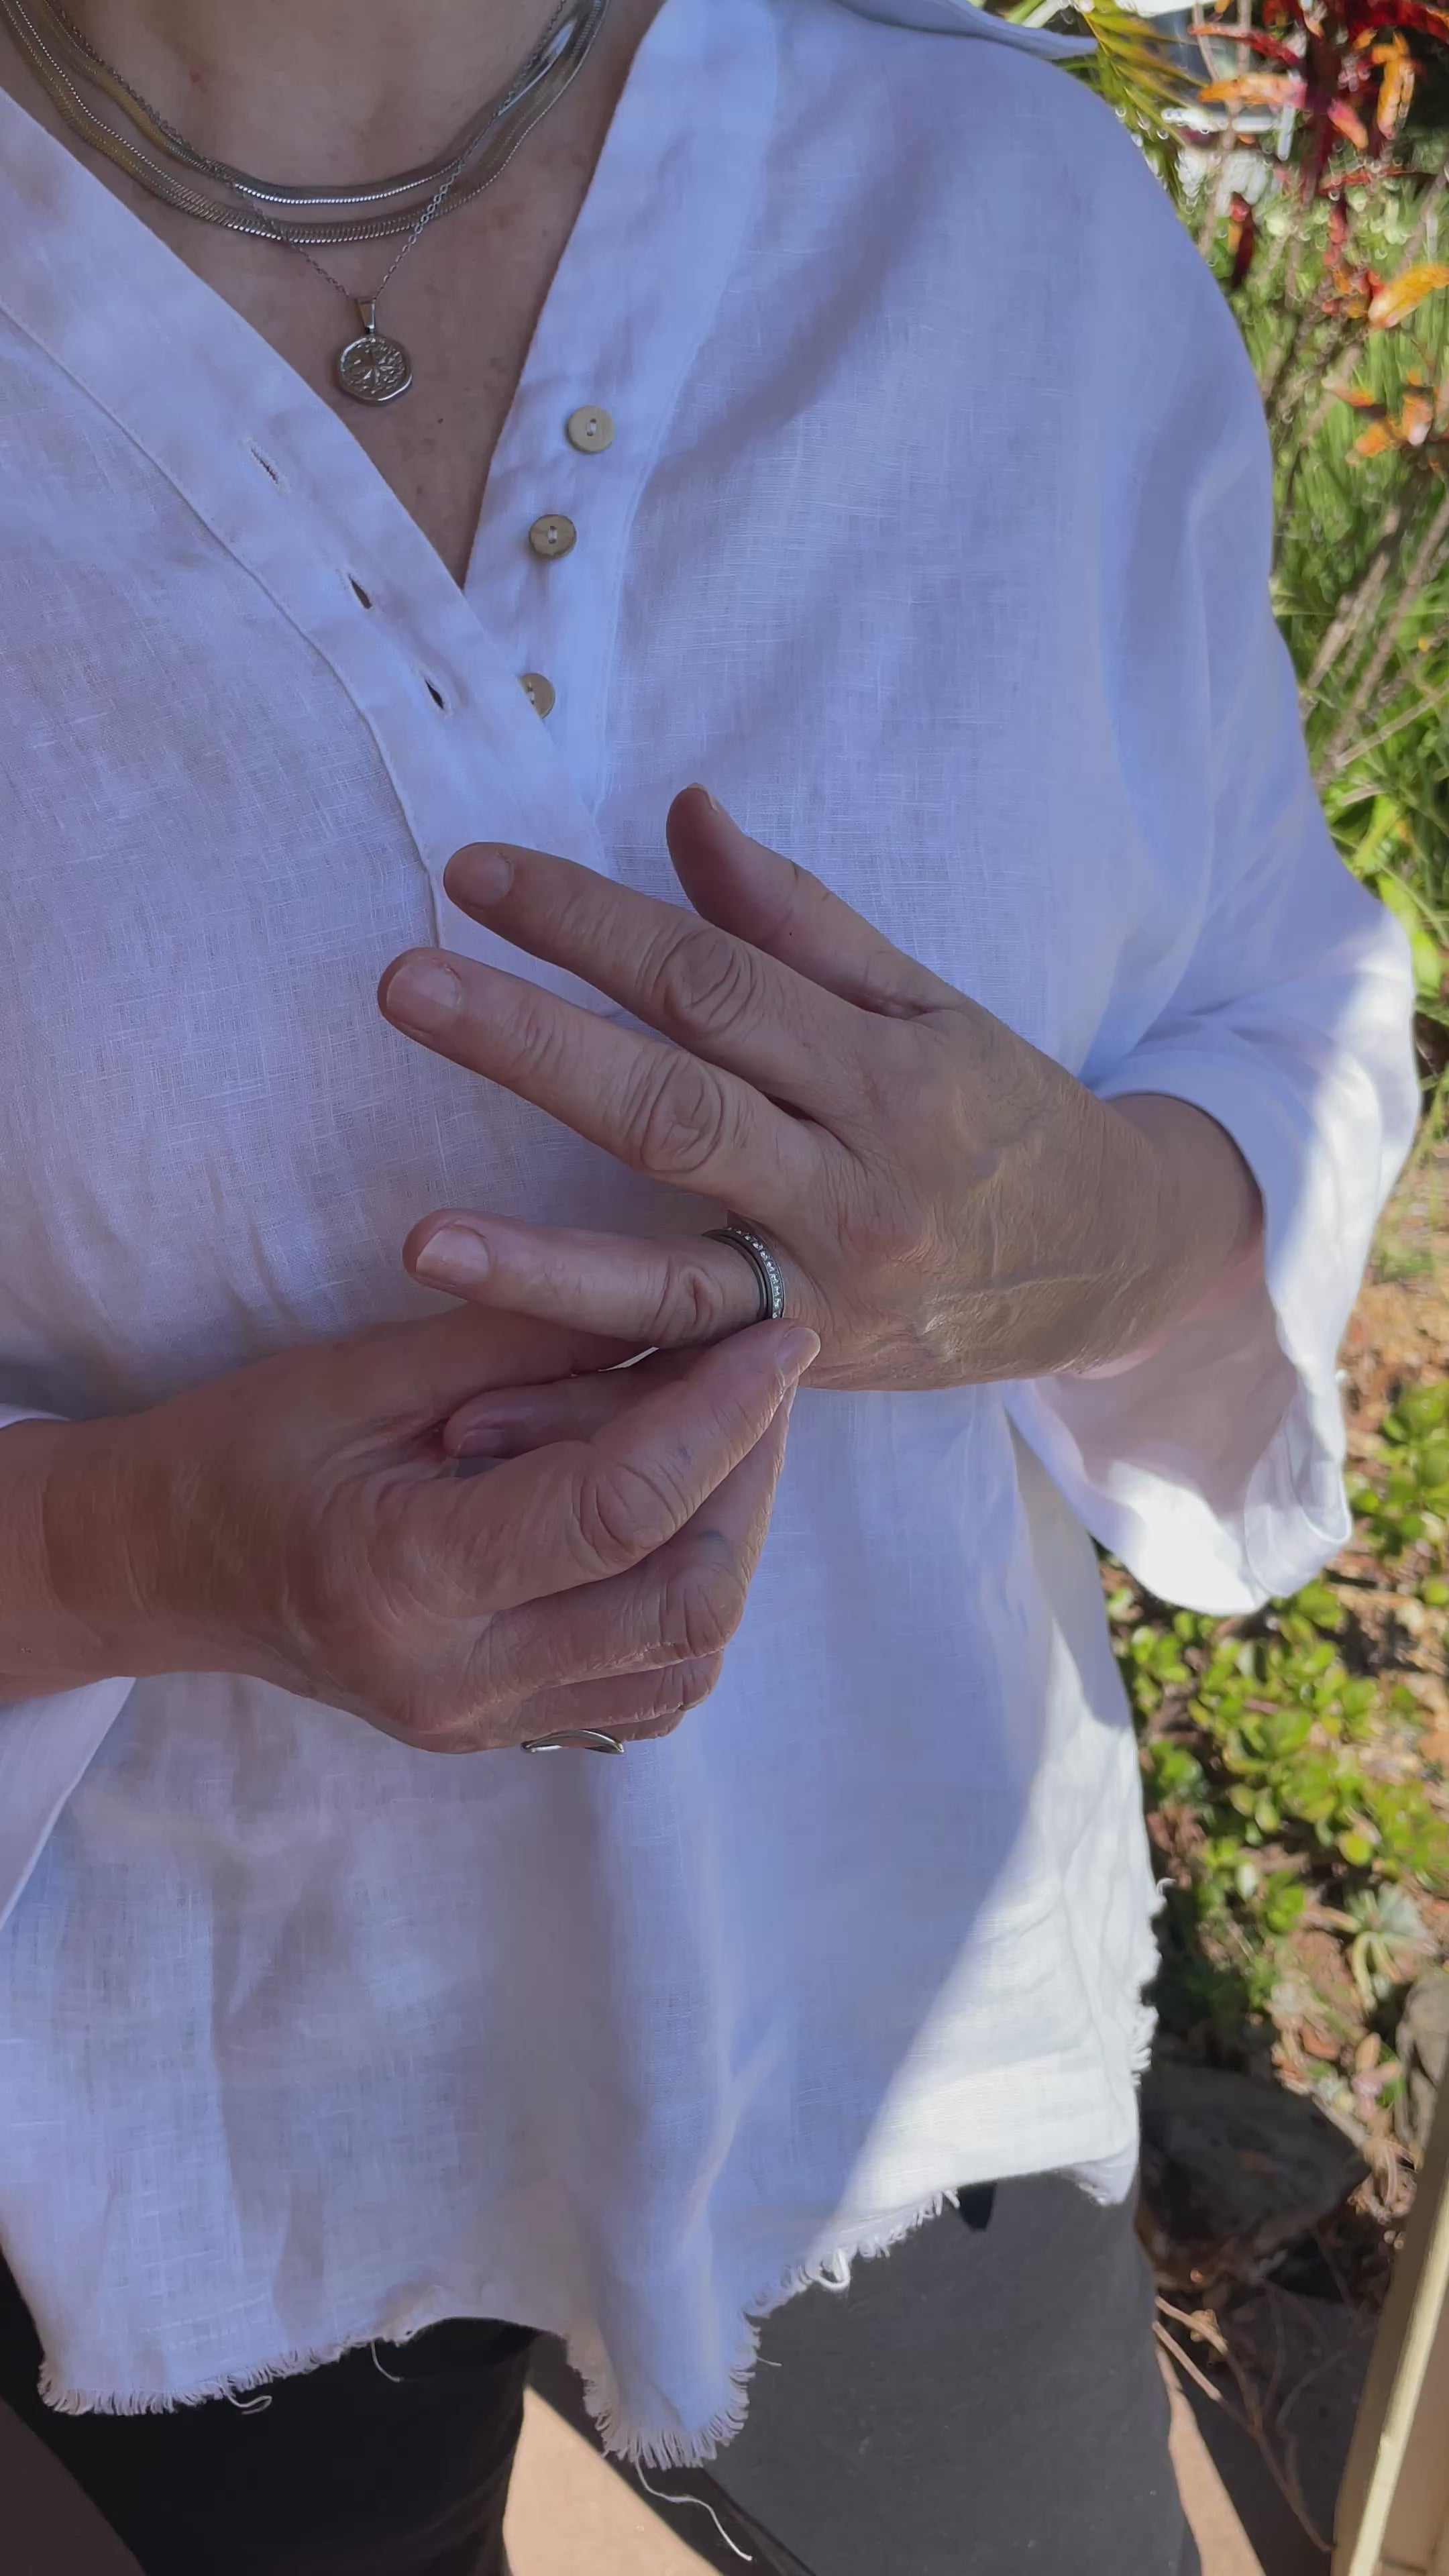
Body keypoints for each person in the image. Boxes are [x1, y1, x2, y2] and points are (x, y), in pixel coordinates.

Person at [0, 0, 1416, 2567]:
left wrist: (1062, 1231)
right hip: (155, 2084)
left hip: (891, 2012)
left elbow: (1282, 994)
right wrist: (148, 1553)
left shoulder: (1003, 225)